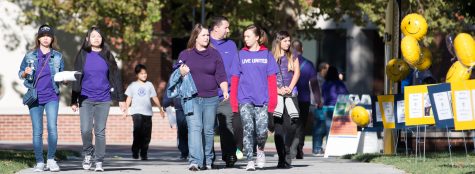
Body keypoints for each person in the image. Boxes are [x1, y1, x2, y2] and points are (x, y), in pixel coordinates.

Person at [71, 26, 126, 172]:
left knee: (100, 131)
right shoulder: (82, 54)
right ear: (88, 38)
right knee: (85, 129)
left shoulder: (107, 54)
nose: (97, 38)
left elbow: (116, 77)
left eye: (99, 36)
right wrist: (73, 99)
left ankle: (99, 161)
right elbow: (76, 77)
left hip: (103, 99)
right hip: (85, 98)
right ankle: (88, 154)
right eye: (93, 36)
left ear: (102, 39)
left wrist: (121, 99)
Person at [177, 23, 228, 171]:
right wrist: (181, 72)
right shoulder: (186, 54)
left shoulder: (215, 54)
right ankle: (194, 161)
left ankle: (208, 159)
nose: (206, 38)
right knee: (194, 128)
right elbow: (176, 73)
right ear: (196, 37)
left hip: (211, 98)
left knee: (208, 131)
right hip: (191, 98)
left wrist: (224, 90)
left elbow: (221, 75)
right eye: (203, 35)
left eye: (207, 35)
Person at [230, 24, 278, 171]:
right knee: (248, 129)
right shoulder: (240, 55)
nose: (246, 39)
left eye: (248, 36)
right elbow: (235, 80)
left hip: (263, 100)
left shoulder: (267, 55)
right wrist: (234, 102)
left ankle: (261, 151)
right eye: (244, 36)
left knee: (262, 131)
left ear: (257, 37)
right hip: (244, 99)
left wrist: (273, 102)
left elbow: (272, 81)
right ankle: (250, 159)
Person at [18, 24, 64, 172]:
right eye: (43, 35)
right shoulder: (30, 55)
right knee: (37, 130)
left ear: (52, 38)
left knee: (52, 128)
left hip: (52, 96)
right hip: (35, 97)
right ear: (38, 38)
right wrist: (25, 73)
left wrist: (65, 79)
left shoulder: (58, 56)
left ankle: (50, 160)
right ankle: (39, 162)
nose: (46, 38)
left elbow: (61, 75)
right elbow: (20, 73)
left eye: (48, 36)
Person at [209, 15, 242, 167]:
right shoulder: (205, 42)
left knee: (227, 124)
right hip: (207, 93)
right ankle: (207, 157)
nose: (228, 30)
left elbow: (236, 68)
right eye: (226, 27)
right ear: (216, 28)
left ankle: (229, 155)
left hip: (227, 93)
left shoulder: (231, 45)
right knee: (207, 126)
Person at [271, 31, 300, 168]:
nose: (288, 43)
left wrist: (290, 87)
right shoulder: (271, 57)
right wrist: (277, 90)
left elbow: (297, 73)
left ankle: (287, 149)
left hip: (291, 95)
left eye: (289, 41)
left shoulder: (293, 56)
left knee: (292, 125)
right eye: (285, 41)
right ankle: (282, 158)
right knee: (279, 128)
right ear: (278, 42)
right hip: (277, 96)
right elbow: (267, 77)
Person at [123, 64, 165, 160]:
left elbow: (154, 97)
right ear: (137, 74)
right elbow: (129, 98)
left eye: (145, 73)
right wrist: (125, 111)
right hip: (136, 112)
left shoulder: (149, 85)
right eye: (142, 74)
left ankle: (144, 153)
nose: (144, 75)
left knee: (147, 134)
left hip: (147, 113)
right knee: (137, 132)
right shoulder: (133, 85)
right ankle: (135, 151)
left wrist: (160, 109)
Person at [290, 40, 316, 159]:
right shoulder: (309, 64)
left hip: (289, 97)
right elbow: (314, 84)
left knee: (291, 123)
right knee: (301, 125)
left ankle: (291, 147)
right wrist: (318, 99)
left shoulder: (288, 61)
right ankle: (299, 148)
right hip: (304, 99)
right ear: (302, 48)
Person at [319, 66, 349, 154]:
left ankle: (329, 147)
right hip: (339, 107)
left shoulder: (325, 83)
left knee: (329, 129)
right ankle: (337, 147)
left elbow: (323, 95)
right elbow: (345, 95)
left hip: (326, 107)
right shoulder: (339, 84)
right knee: (339, 129)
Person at [162, 90, 189, 160]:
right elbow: (170, 89)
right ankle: (184, 152)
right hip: (179, 107)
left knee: (192, 129)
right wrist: (166, 102)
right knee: (182, 129)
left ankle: (192, 152)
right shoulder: (174, 78)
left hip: (191, 105)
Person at [310, 62, 329, 156]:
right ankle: (316, 148)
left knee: (322, 127)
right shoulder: (316, 79)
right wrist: (318, 102)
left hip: (322, 105)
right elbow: (315, 92)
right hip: (317, 106)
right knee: (319, 127)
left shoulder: (325, 79)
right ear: (323, 69)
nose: (328, 71)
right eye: (327, 69)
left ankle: (318, 148)